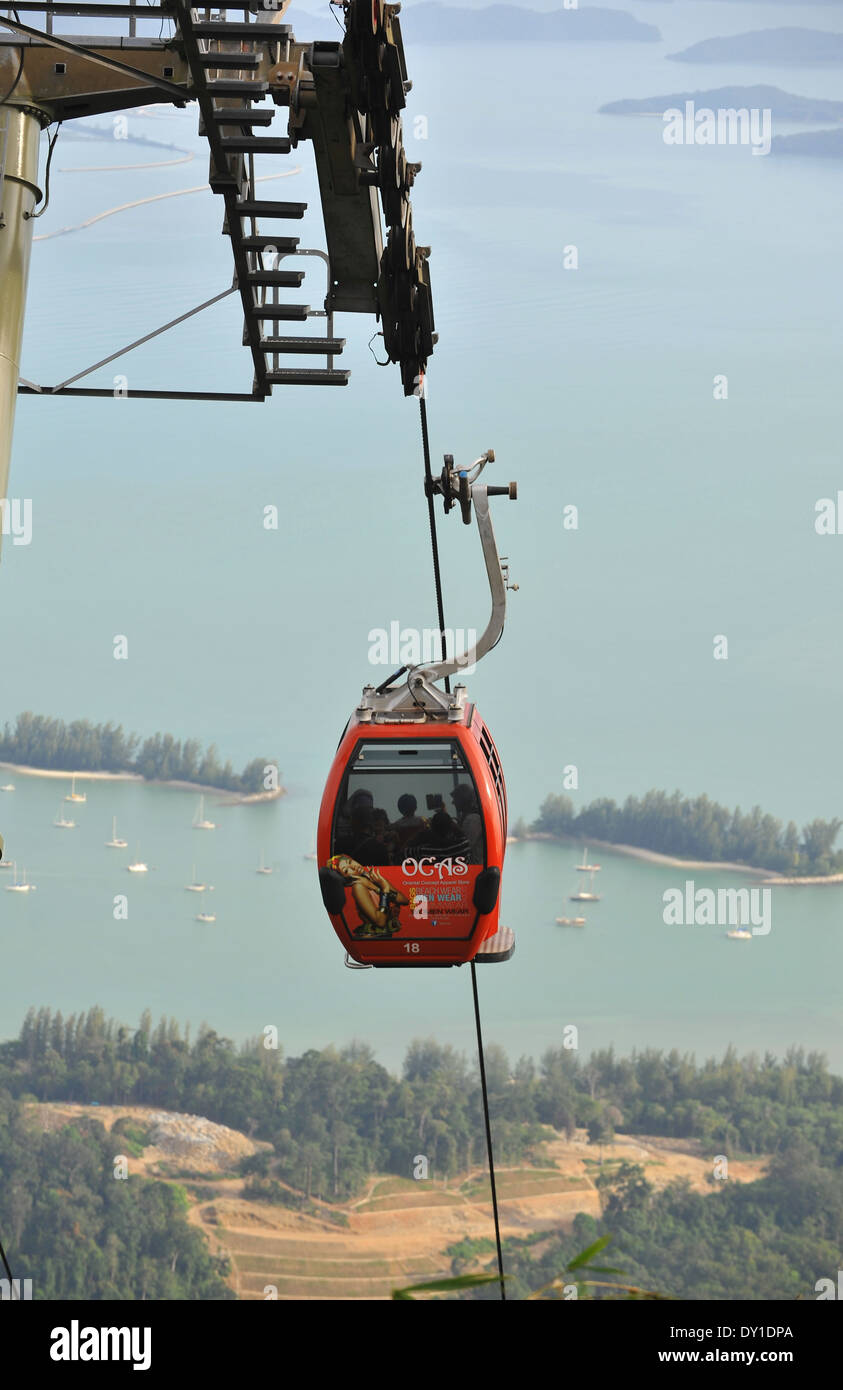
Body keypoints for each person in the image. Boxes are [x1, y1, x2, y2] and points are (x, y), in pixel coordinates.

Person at [327, 854, 409, 939]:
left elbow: (404, 900)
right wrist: (383, 890)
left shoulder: (371, 876)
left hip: (383, 938)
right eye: (346, 870)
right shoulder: (358, 887)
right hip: (373, 940)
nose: (353, 867)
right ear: (346, 878)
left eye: (350, 862)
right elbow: (380, 922)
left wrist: (376, 886)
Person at [450, 784, 483, 863]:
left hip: (472, 868)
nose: (453, 802)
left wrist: (455, 828)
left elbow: (465, 845)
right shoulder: (467, 818)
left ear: (463, 799)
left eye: (456, 799)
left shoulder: (473, 819)